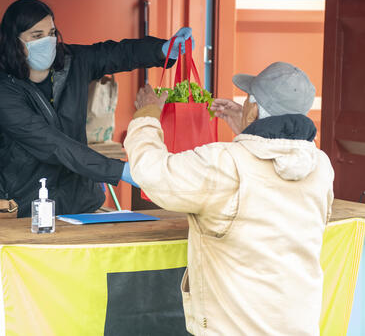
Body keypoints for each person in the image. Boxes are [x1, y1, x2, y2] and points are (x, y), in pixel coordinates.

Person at [124, 62, 334, 336]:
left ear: (255, 109)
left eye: (248, 100)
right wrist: (248, 132)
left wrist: (146, 116)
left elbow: (153, 174)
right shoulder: (320, 166)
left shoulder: (225, 164)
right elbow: (274, 171)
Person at [0, 0, 194, 217]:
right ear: (14, 42)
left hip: (78, 201)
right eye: (37, 36)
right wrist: (121, 171)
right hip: (23, 207)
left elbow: (117, 53)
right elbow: (53, 145)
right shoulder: (2, 93)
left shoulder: (71, 61)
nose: (48, 41)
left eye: (51, 33)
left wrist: (161, 50)